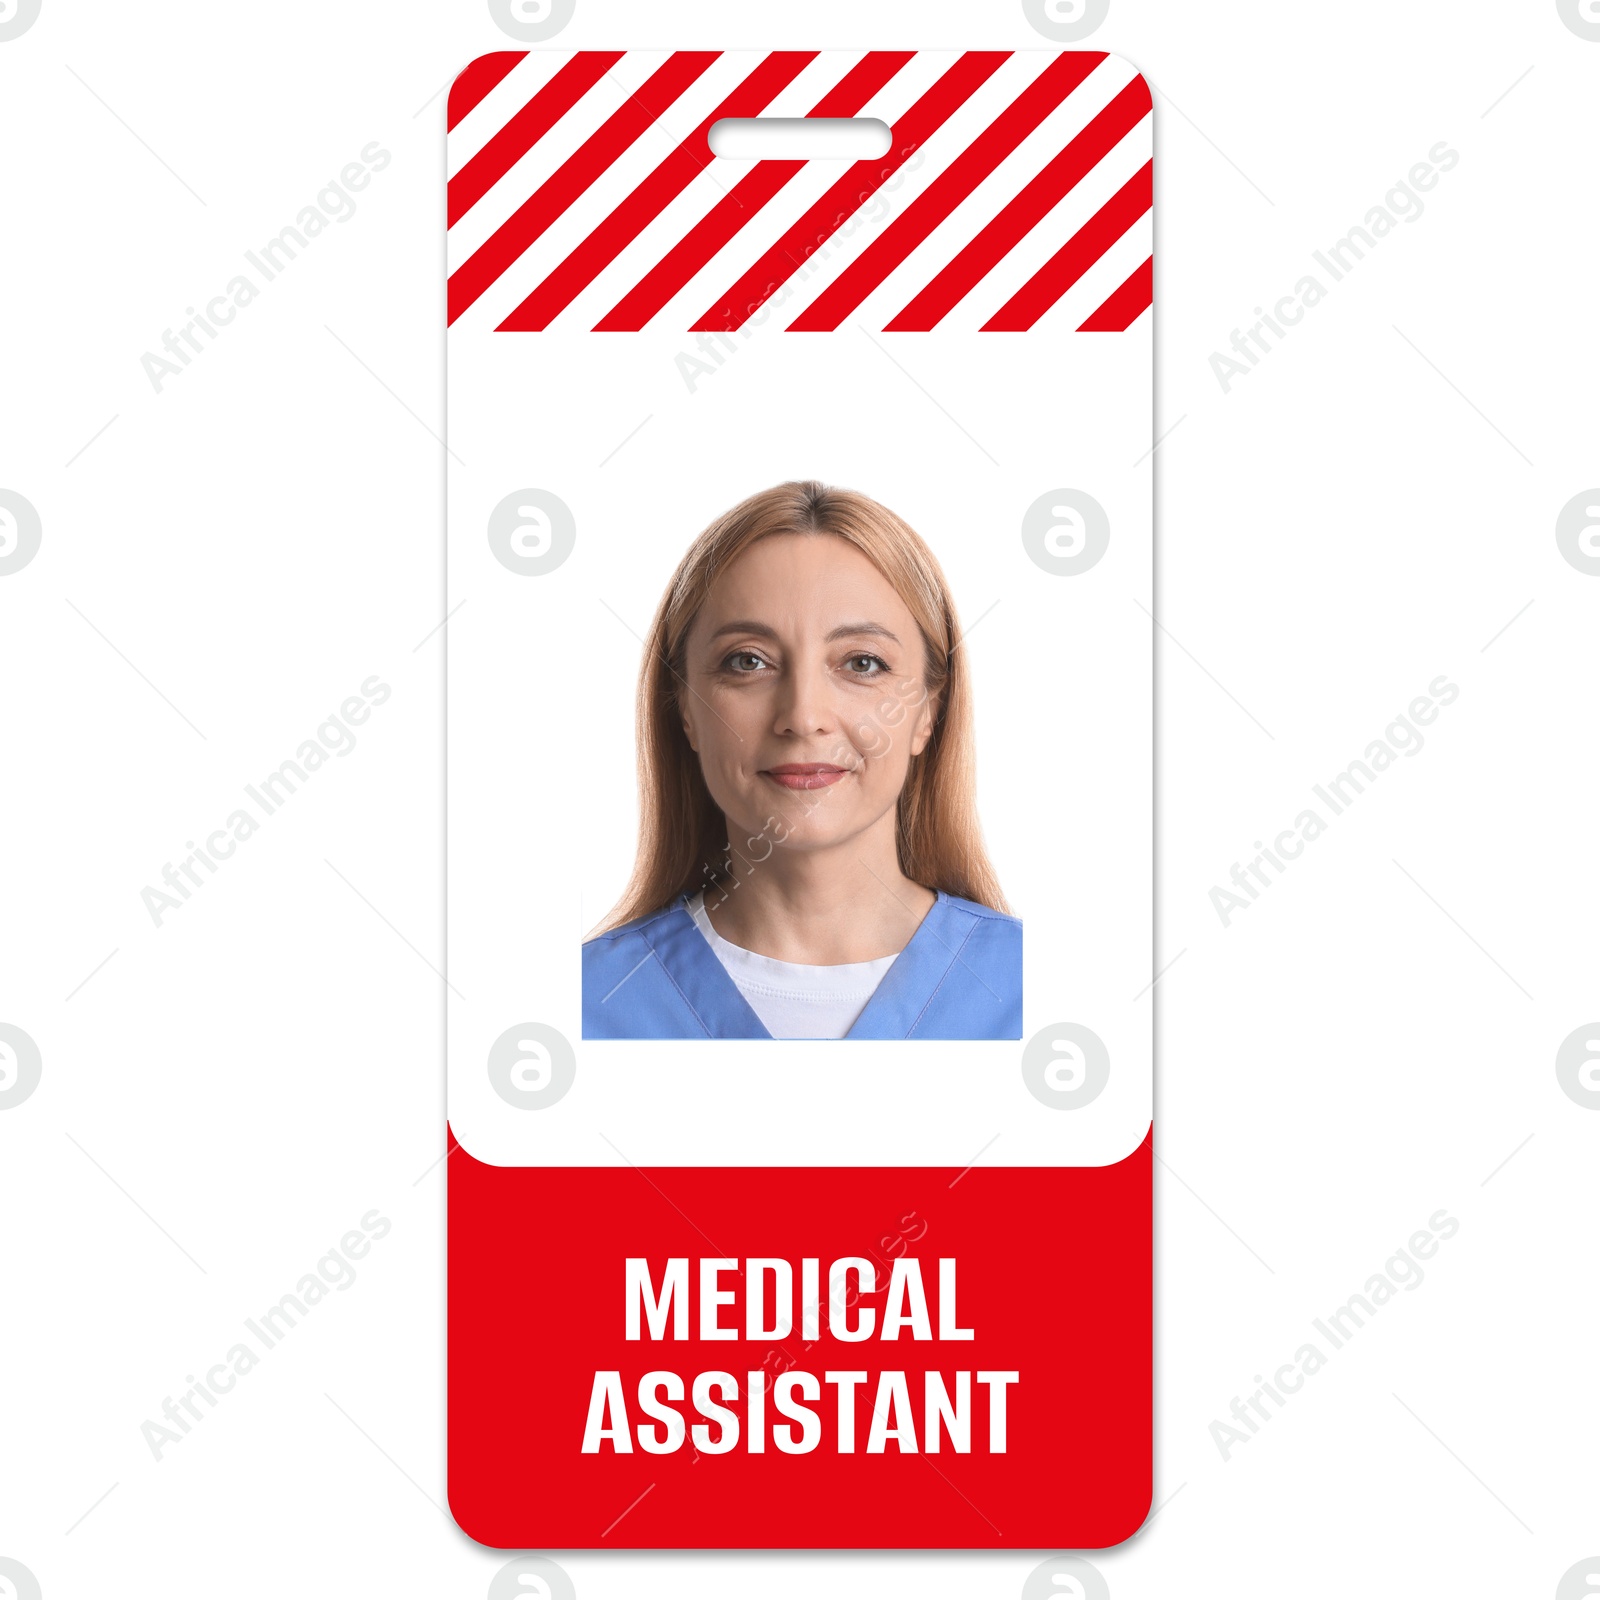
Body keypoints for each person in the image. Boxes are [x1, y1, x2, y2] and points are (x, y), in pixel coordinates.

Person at [583, 480, 1021, 1040]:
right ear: (685, 709)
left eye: (862, 664)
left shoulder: (1044, 996)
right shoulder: (582, 1006)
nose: (804, 715)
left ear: (928, 711)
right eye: (747, 661)